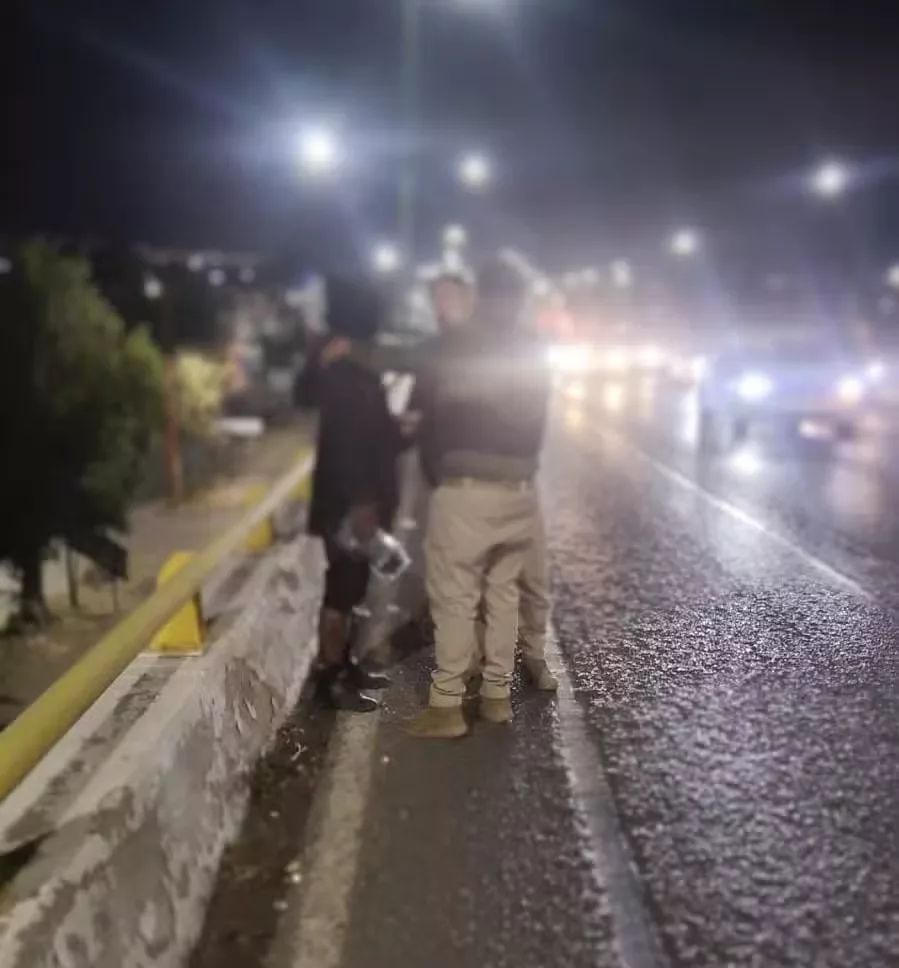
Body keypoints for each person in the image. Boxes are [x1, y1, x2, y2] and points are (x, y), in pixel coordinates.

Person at [406, 256, 551, 738]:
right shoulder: (534, 348)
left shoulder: (457, 343)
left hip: (467, 491)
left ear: (479, 296)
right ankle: (496, 698)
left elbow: (411, 376)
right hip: (519, 494)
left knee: (456, 597)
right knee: (504, 593)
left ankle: (447, 706)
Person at [295, 277, 407, 712]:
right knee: (342, 588)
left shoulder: (354, 361)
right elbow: (345, 441)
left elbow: (372, 429)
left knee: (356, 582)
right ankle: (329, 677)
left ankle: (345, 664)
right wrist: (361, 503)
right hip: (349, 502)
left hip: (362, 496)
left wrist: (399, 431)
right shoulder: (340, 366)